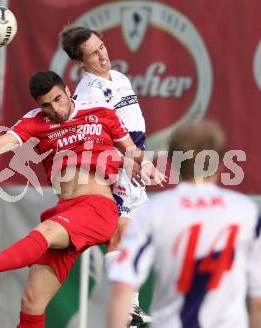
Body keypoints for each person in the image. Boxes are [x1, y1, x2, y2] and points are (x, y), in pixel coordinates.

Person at [0, 71, 163, 328]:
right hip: (66, 210)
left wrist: (142, 165)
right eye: (46, 104)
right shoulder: (35, 121)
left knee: (45, 232)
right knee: (32, 301)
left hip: (97, 207)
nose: (55, 109)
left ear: (68, 90)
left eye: (58, 99)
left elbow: (132, 150)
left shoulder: (101, 113)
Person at [107, 120, 261, 328]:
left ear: (172, 160)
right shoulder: (246, 211)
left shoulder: (153, 212)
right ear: (221, 161)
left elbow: (123, 288)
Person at [59, 26, 152, 324]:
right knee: (121, 233)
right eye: (94, 53)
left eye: (102, 47)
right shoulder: (86, 94)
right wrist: (126, 162)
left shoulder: (120, 77)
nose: (103, 55)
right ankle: (126, 308)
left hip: (134, 162)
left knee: (140, 234)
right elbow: (97, 136)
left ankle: (130, 306)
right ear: (79, 62)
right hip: (115, 168)